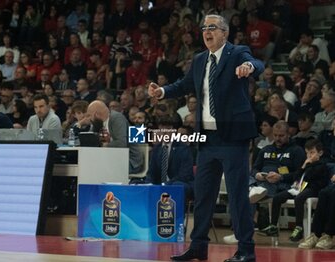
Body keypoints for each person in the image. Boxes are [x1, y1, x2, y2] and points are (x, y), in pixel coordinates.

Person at [148, 14, 264, 262]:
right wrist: (162, 91)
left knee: (237, 196)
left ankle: (246, 250)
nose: (206, 31)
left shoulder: (237, 53)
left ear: (224, 32)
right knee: (203, 196)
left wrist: (250, 67)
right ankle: (198, 246)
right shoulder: (200, 60)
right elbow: (184, 84)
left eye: (212, 27)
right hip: (206, 140)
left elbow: (257, 63)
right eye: (204, 28)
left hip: (233, 137)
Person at [259, 139, 329, 242]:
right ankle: (273, 225)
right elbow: (296, 177)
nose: (309, 156)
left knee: (299, 198)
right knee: (277, 197)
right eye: (307, 153)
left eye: (312, 153)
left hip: (314, 189)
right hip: (300, 188)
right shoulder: (307, 164)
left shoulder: (322, 165)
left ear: (320, 153)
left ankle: (299, 227)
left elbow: (310, 177)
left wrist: (307, 165)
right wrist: (303, 166)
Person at [86, 100, 144, 174]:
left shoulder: (117, 118)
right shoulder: (97, 122)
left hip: (130, 161)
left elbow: (121, 143)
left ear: (96, 114)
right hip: (110, 159)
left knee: (100, 169)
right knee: (90, 165)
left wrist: (104, 145)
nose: (89, 119)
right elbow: (90, 139)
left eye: (89, 116)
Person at [145, 116, 194, 199]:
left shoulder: (183, 148)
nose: (164, 133)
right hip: (160, 183)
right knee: (137, 183)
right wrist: (148, 184)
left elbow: (184, 175)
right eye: (161, 130)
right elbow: (151, 172)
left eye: (168, 129)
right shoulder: (156, 149)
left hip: (179, 182)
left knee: (176, 186)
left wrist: (166, 184)